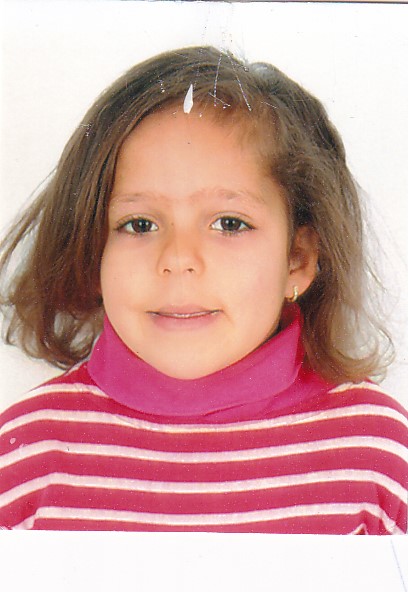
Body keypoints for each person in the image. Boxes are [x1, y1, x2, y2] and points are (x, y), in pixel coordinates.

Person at [0, 46, 406, 533]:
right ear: (93, 249)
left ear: (297, 259)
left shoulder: (378, 457)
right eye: (140, 223)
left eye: (229, 223)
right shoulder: (25, 456)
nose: (178, 259)